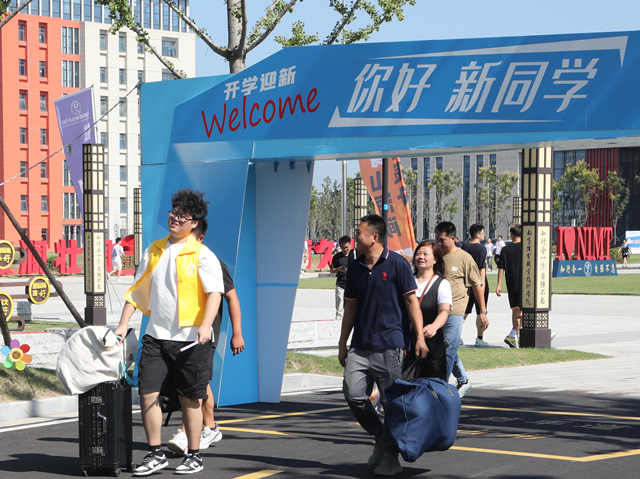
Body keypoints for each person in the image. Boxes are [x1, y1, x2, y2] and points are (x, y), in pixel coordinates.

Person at [114, 188, 224, 476]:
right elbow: (137, 290)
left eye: (183, 216)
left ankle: (194, 455)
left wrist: (205, 326)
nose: (175, 218)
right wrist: (123, 325)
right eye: (174, 212)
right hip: (155, 336)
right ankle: (155, 453)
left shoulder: (202, 255)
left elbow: (215, 294)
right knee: (147, 393)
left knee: (190, 398)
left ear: (194, 223)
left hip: (190, 340)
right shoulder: (154, 249)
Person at [338, 214, 427, 477]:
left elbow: (411, 302)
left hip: (390, 345)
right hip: (360, 345)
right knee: (353, 393)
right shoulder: (355, 266)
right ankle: (379, 434)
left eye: (359, 233)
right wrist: (342, 343)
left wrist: (419, 337)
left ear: (374, 237)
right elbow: (350, 307)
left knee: (391, 404)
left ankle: (391, 456)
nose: (355, 237)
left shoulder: (398, 263)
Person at [166, 217, 245, 456]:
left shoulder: (212, 261)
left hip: (203, 334)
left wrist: (237, 333)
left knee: (194, 382)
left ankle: (185, 434)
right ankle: (209, 427)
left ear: (200, 238)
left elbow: (232, 298)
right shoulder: (173, 258)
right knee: (198, 382)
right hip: (179, 333)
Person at [434, 222, 489, 399]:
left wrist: (482, 312)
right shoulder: (436, 256)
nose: (439, 243)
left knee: (448, 348)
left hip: (455, 311)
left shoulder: (464, 258)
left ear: (453, 238)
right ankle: (463, 380)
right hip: (436, 311)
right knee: (443, 347)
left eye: (442, 240)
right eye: (437, 239)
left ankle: (442, 386)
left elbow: (477, 285)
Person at [408, 240, 452, 381]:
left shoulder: (442, 284)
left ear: (435, 259)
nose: (421, 257)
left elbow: (444, 311)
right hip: (407, 344)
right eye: (418, 254)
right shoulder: (407, 281)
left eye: (426, 254)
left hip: (432, 345)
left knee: (434, 386)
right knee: (405, 386)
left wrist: (434, 326)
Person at [461, 224, 490, 349]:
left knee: (464, 312)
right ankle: (479, 338)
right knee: (480, 312)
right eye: (483, 233)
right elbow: (482, 267)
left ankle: (456, 337)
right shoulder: (482, 248)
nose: (484, 235)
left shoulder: (464, 247)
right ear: (478, 235)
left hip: (466, 283)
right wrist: (482, 284)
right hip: (478, 281)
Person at [496, 225, 522, 348]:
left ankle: (517, 336)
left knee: (515, 310)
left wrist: (498, 285)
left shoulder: (505, 249)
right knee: (523, 310)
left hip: (511, 282)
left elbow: (501, 268)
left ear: (511, 234)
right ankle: (514, 334)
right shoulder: (527, 247)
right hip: (525, 283)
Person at [330, 236, 356, 321]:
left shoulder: (355, 255)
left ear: (350, 245)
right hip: (341, 284)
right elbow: (331, 270)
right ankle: (339, 318)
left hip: (352, 285)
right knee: (340, 302)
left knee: (351, 304)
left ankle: (351, 319)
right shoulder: (337, 257)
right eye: (342, 247)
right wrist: (339, 269)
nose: (345, 249)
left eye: (346, 247)